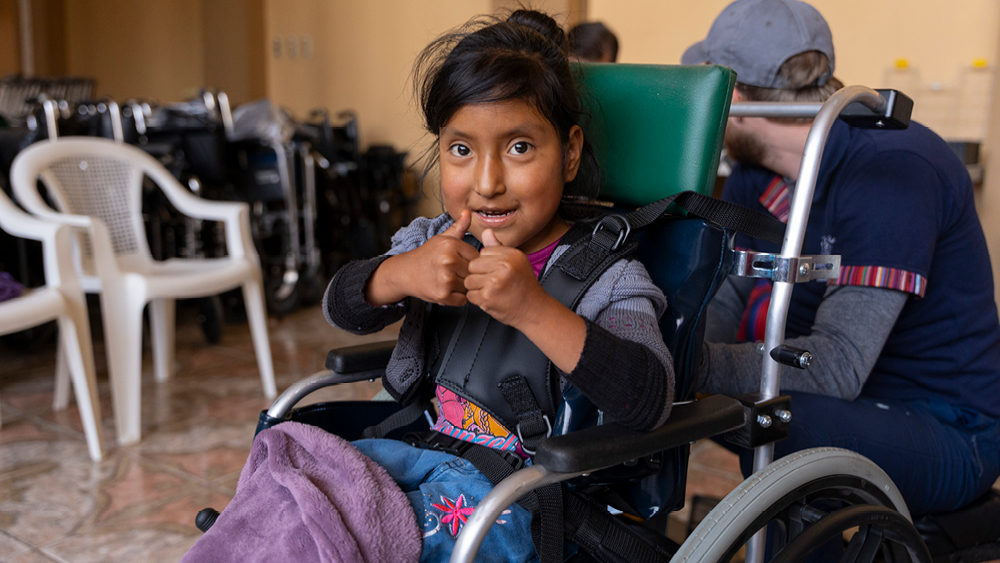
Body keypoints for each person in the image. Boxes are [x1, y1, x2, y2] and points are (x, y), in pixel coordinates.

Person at [324, 10, 674, 562]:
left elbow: (648, 396)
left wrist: (533, 309)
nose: (486, 183)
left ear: (571, 153)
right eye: (461, 150)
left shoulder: (610, 276)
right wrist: (400, 273)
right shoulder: (430, 238)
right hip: (422, 448)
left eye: (519, 148)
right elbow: (341, 306)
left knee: (350, 542)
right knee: (293, 474)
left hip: (521, 497)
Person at [684, 0, 1000, 516]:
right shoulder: (755, 170)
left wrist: (692, 365)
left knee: (780, 427)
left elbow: (838, 369)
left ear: (735, 95)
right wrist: (668, 353)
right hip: (840, 406)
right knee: (663, 405)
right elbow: (726, 295)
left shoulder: (895, 169)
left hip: (945, 426)